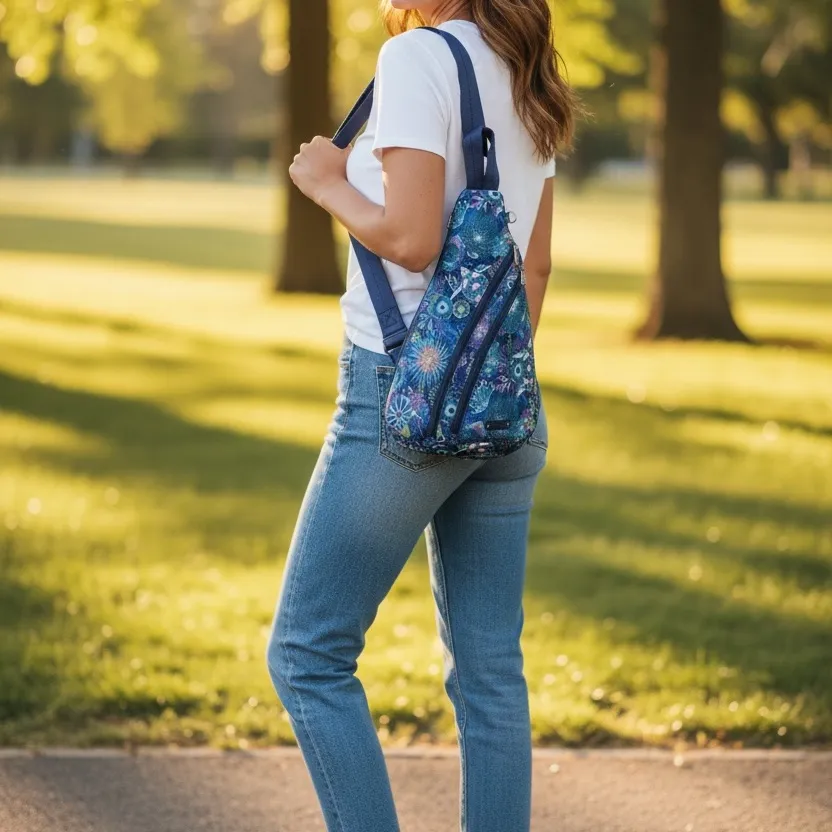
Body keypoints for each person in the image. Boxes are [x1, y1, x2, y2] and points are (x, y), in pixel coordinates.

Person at [266, 1, 576, 829]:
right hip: (509, 401)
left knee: (307, 655)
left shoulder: (415, 60)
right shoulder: (529, 68)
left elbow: (409, 238)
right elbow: (535, 264)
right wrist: (492, 383)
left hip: (403, 394)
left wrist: (328, 183)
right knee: (489, 675)